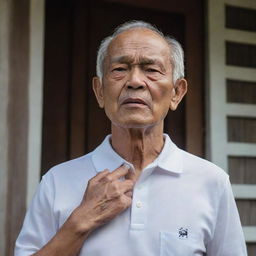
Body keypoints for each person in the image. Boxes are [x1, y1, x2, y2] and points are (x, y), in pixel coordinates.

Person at [15, 20, 247, 256]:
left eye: (152, 70)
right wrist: (79, 223)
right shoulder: (56, 182)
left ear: (177, 93)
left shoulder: (212, 182)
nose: (135, 81)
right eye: (119, 69)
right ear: (100, 92)